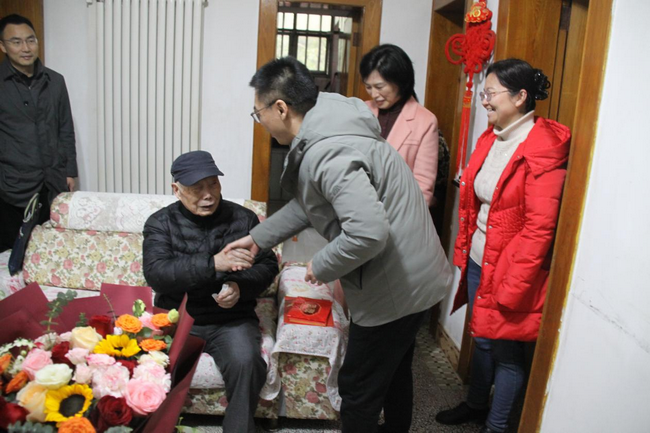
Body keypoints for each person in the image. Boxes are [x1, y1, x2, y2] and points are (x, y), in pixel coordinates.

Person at [226, 56, 452, 433]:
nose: (259, 121)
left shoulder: (328, 152)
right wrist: (257, 239)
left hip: (394, 289)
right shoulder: (334, 123)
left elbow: (367, 233)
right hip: (417, 274)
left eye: (258, 113)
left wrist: (321, 264)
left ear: (280, 108)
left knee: (358, 388)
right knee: (394, 370)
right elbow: (311, 202)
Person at [435, 59, 571, 433]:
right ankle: (476, 405)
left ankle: (496, 427)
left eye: (491, 93)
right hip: (481, 258)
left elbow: (539, 228)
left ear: (520, 96)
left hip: (511, 269)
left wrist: (514, 285)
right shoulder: (492, 138)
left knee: (507, 352)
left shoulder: (542, 149)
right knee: (483, 338)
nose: (485, 101)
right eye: (483, 93)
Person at [142, 151, 279, 433]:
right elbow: (157, 274)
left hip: (230, 319)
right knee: (146, 365)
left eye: (213, 184)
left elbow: (267, 265)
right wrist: (213, 264)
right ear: (176, 190)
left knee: (247, 362)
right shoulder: (160, 223)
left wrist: (239, 286)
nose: (208, 195)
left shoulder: (244, 219)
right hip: (178, 318)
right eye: (197, 188)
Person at [0, 14, 78, 251]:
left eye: (30, 40)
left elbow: (65, 128)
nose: (26, 48)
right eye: (16, 42)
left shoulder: (55, 81)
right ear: (3, 46)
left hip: (52, 181)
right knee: (13, 252)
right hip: (12, 185)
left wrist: (70, 171)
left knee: (49, 249)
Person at [360, 44, 439, 207]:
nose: (374, 94)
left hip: (398, 211)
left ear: (400, 82)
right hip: (357, 207)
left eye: (380, 87)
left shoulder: (425, 121)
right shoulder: (361, 111)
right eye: (368, 87)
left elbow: (423, 187)